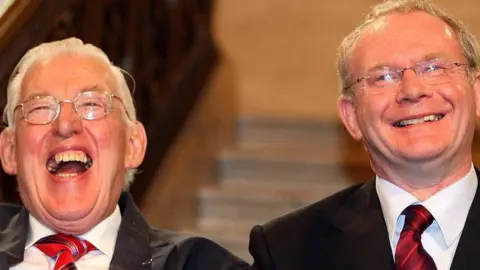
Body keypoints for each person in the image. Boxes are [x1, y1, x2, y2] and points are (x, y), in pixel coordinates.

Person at [248, 0, 480, 269]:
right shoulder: (285, 251)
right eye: (383, 77)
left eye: (433, 68)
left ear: (476, 93)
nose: (412, 90)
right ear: (351, 116)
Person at [0, 37, 248, 270]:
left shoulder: (199, 264)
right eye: (41, 108)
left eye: (91, 104)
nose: (65, 124)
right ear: (10, 151)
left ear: (133, 144)